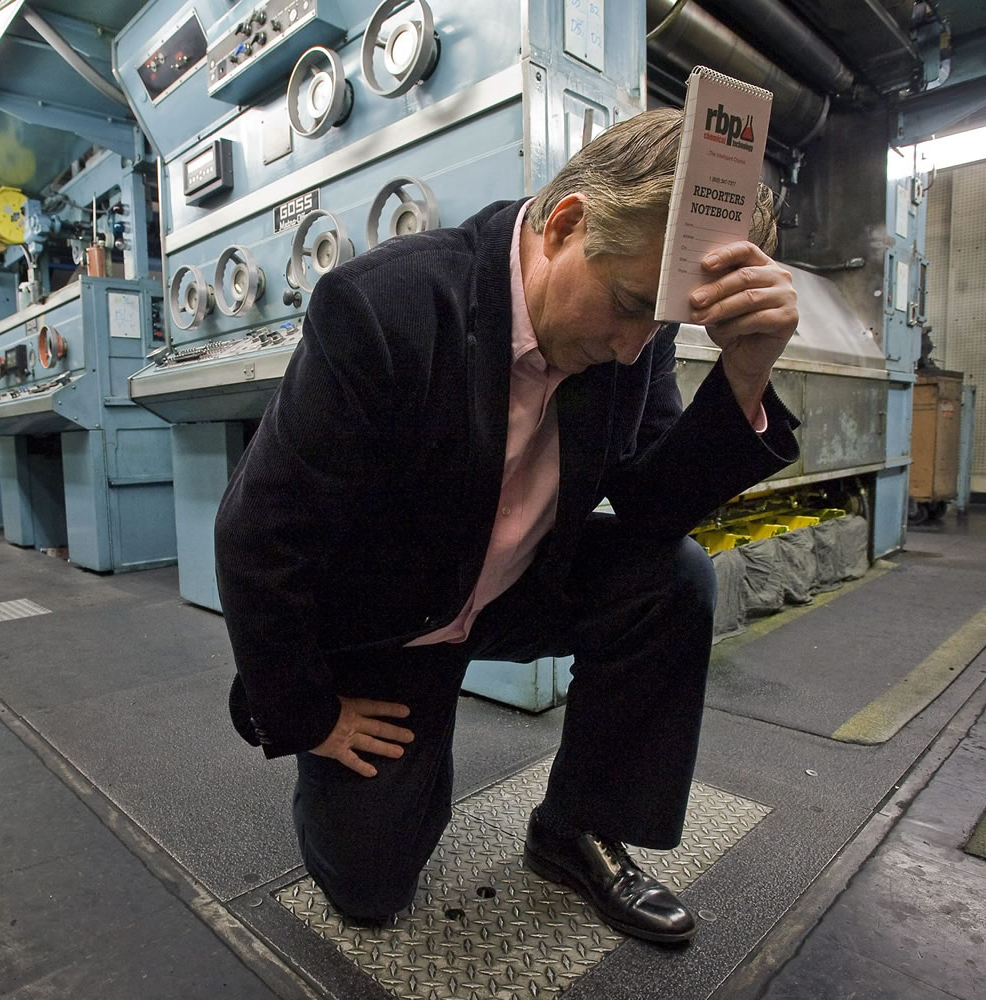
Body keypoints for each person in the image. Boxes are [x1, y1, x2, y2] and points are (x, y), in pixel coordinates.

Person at [213, 108, 800, 945]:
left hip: (514, 587)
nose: (636, 349)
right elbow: (258, 537)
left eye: (660, 325)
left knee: (672, 578)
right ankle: (355, 785)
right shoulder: (386, 307)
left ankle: (575, 828)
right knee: (370, 886)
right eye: (630, 305)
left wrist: (744, 373)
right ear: (565, 225)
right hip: (388, 631)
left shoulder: (636, 336)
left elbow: (650, 510)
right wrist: (311, 715)